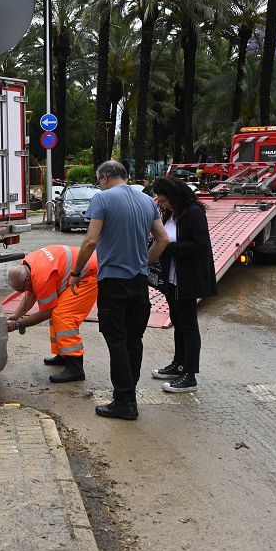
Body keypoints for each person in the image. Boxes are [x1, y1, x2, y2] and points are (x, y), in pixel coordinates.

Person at [73, 161, 169, 420]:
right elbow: (163, 239)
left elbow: (91, 240)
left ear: (104, 177)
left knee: (116, 340)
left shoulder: (102, 199)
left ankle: (124, 401)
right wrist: (144, 261)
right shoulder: (147, 201)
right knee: (132, 340)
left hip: (113, 283)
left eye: (98, 180)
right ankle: (129, 393)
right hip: (139, 283)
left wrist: (76, 271)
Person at [149, 176, 217, 393]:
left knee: (189, 326)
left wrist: (167, 248)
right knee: (178, 322)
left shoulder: (194, 213)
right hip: (171, 278)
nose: (164, 204)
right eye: (161, 201)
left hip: (186, 278)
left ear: (175, 195)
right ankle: (178, 364)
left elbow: (200, 246)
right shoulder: (172, 213)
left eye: (166, 200)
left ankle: (190, 375)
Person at [5, 245, 98, 383]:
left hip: (89, 274)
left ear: (27, 280)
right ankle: (63, 355)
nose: (20, 293)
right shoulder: (28, 267)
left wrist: (18, 324)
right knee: (58, 313)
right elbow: (30, 293)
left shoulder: (42, 277)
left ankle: (76, 368)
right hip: (80, 268)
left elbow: (46, 312)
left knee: (63, 314)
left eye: (20, 289)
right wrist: (15, 315)